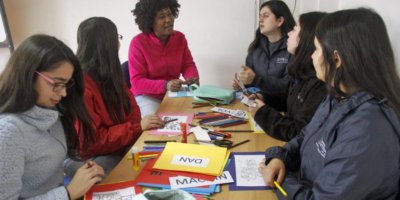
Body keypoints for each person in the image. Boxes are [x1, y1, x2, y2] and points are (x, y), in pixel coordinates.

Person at [259, 8, 400, 199]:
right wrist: (279, 156)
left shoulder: (367, 129)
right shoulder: (338, 95)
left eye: (317, 49)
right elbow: (305, 135)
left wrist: (281, 180)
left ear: (336, 59)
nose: (312, 56)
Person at [0, 34, 104, 199]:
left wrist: (80, 169)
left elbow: (58, 158)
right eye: (56, 83)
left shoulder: (49, 111)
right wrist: (68, 193)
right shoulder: (8, 132)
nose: (63, 93)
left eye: (65, 84)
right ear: (28, 74)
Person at [63, 17, 165, 177]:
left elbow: (132, 110)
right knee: (133, 174)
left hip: (117, 145)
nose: (118, 43)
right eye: (116, 38)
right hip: (88, 156)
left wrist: (135, 128)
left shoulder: (111, 73)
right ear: (106, 45)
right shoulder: (81, 86)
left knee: (156, 157)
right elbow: (90, 142)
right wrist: (135, 128)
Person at [249, 12, 327, 141]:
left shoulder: (319, 84)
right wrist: (264, 98)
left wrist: (262, 113)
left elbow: (298, 132)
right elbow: (290, 99)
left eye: (295, 29)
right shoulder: (302, 72)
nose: (289, 33)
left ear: (307, 38)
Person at [130, 0, 200, 117]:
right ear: (150, 22)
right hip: (148, 96)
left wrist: (192, 77)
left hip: (174, 93)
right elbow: (137, 82)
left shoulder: (180, 38)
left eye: (170, 14)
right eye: (162, 17)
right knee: (157, 125)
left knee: (195, 116)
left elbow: (188, 65)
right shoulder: (138, 43)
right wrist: (165, 85)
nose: (169, 20)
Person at [233, 0, 295, 111]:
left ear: (280, 20)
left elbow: (289, 87)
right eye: (260, 16)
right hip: (257, 106)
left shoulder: (292, 48)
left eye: (265, 16)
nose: (260, 19)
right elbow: (251, 84)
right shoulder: (255, 47)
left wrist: (256, 79)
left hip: (282, 112)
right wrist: (242, 85)